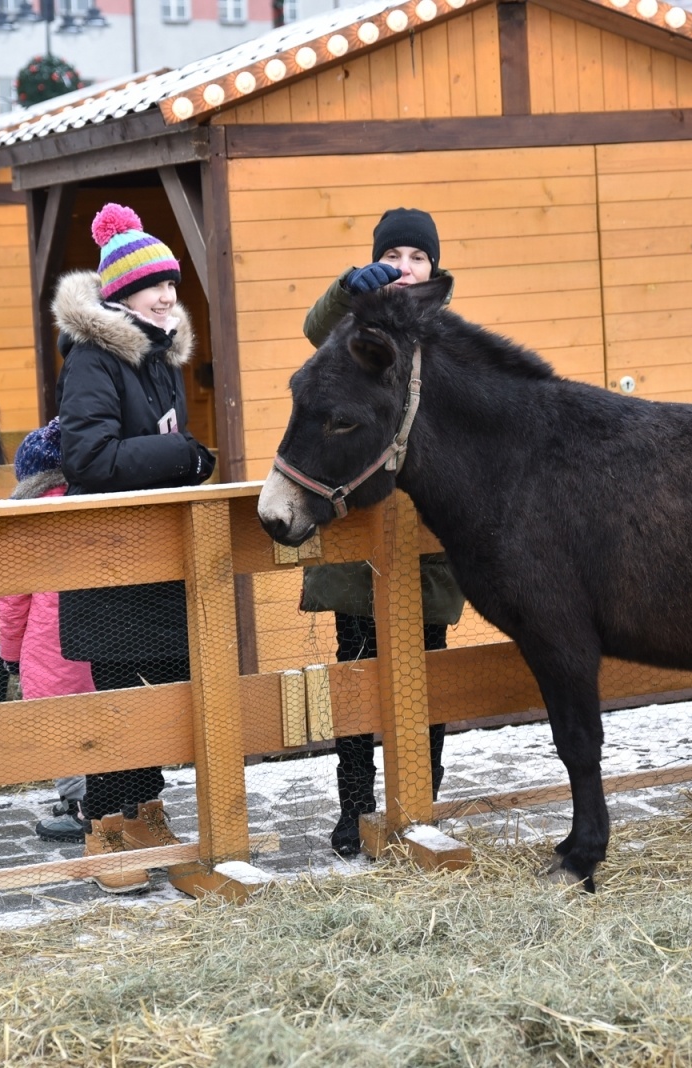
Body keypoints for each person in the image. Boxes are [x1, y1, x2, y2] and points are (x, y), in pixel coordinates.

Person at [51, 203, 217, 893]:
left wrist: (188, 462)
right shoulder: (94, 359)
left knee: (160, 688)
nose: (169, 296)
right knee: (122, 695)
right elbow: (87, 455)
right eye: (156, 286)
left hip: (153, 555)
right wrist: (179, 452)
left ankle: (145, 811)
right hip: (108, 558)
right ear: (120, 296)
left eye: (173, 285)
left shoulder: (157, 359)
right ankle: (104, 825)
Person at [299, 207, 467, 858]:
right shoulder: (352, 326)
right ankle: (354, 808)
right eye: (392, 255)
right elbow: (315, 330)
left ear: (434, 267)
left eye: (417, 257)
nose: (404, 267)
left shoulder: (447, 332)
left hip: (425, 536)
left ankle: (418, 797)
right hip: (358, 534)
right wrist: (348, 291)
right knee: (356, 674)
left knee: (427, 674)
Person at [0, 419, 99, 842]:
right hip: (99, 638)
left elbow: (12, 600)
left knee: (62, 727)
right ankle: (105, 797)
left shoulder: (25, 516)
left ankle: (81, 809)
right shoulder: (88, 500)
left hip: (50, 646)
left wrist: (11, 653)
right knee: (99, 720)